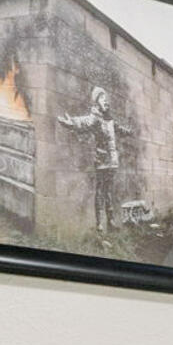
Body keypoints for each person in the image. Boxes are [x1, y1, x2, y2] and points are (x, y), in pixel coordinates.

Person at [57, 87, 131, 236]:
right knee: (100, 192)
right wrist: (71, 122)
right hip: (102, 161)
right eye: (102, 99)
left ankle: (110, 221)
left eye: (106, 99)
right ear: (96, 102)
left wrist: (128, 131)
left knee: (109, 191)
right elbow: (84, 122)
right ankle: (99, 225)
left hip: (112, 161)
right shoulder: (95, 118)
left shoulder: (109, 119)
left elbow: (119, 129)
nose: (106, 102)